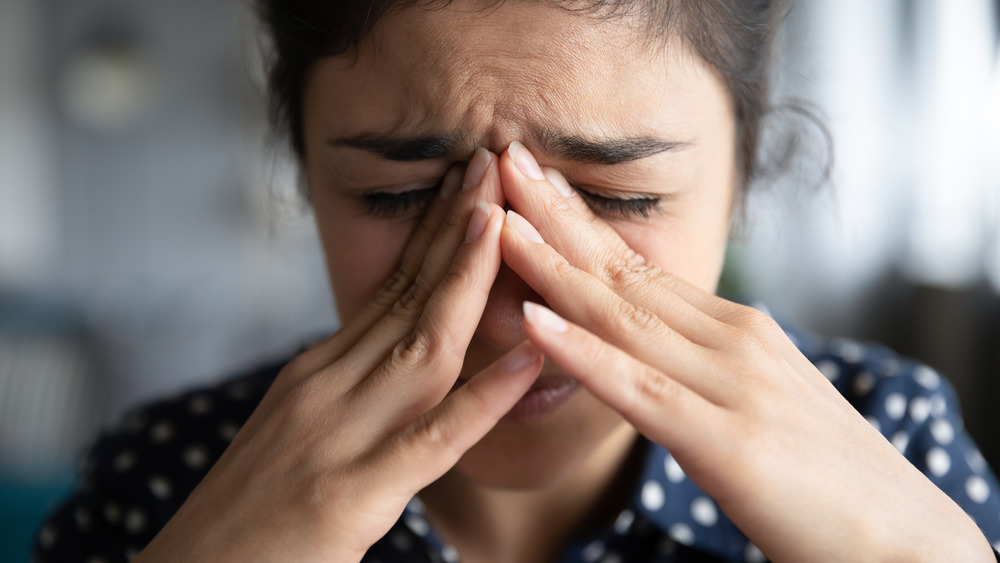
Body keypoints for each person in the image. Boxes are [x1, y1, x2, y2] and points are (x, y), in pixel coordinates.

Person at [34, 1, 1000, 561]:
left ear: (742, 170)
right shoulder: (168, 482)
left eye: (617, 198)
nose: (508, 308)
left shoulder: (895, 440)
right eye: (401, 195)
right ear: (305, 172)